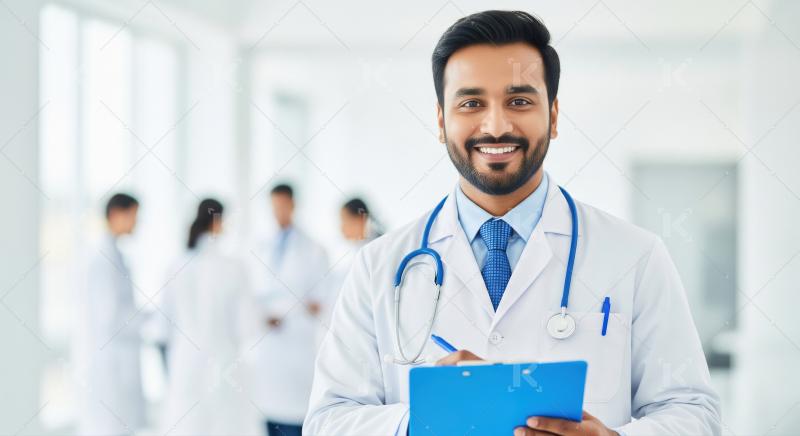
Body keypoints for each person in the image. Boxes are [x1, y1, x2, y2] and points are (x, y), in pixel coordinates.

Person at [305, 10, 721, 436]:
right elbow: (327, 420)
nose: (496, 125)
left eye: (519, 101)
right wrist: (422, 420)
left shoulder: (636, 256)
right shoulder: (380, 265)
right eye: (471, 103)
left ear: (554, 116)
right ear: (441, 120)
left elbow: (692, 412)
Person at [158, 198, 260, 435]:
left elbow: (162, 329)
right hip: (223, 365)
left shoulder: (175, 266)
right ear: (218, 222)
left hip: (184, 365)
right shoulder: (234, 267)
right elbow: (247, 327)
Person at [252, 184, 329, 436]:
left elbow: (321, 301)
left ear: (293, 205)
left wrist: (291, 310)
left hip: (298, 342)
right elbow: (253, 294)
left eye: (283, 206)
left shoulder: (314, 249)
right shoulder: (260, 246)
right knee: (269, 413)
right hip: (269, 345)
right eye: (274, 207)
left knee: (296, 417)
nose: (278, 212)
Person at [76, 193, 145, 436]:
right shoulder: (102, 259)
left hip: (118, 359)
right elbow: (110, 318)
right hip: (111, 363)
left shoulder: (116, 256)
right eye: (134, 216)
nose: (137, 223)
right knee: (111, 427)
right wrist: (145, 324)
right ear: (116, 214)